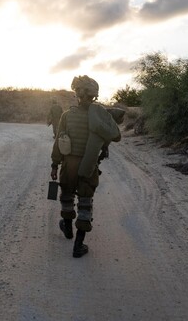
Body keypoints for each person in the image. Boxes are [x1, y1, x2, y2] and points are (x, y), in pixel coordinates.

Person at [50, 75, 121, 257]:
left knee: (66, 196)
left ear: (77, 94)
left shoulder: (67, 115)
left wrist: (54, 165)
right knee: (85, 202)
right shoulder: (100, 116)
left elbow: (59, 141)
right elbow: (108, 138)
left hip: (69, 164)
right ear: (94, 96)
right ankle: (78, 245)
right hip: (88, 165)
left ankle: (67, 229)